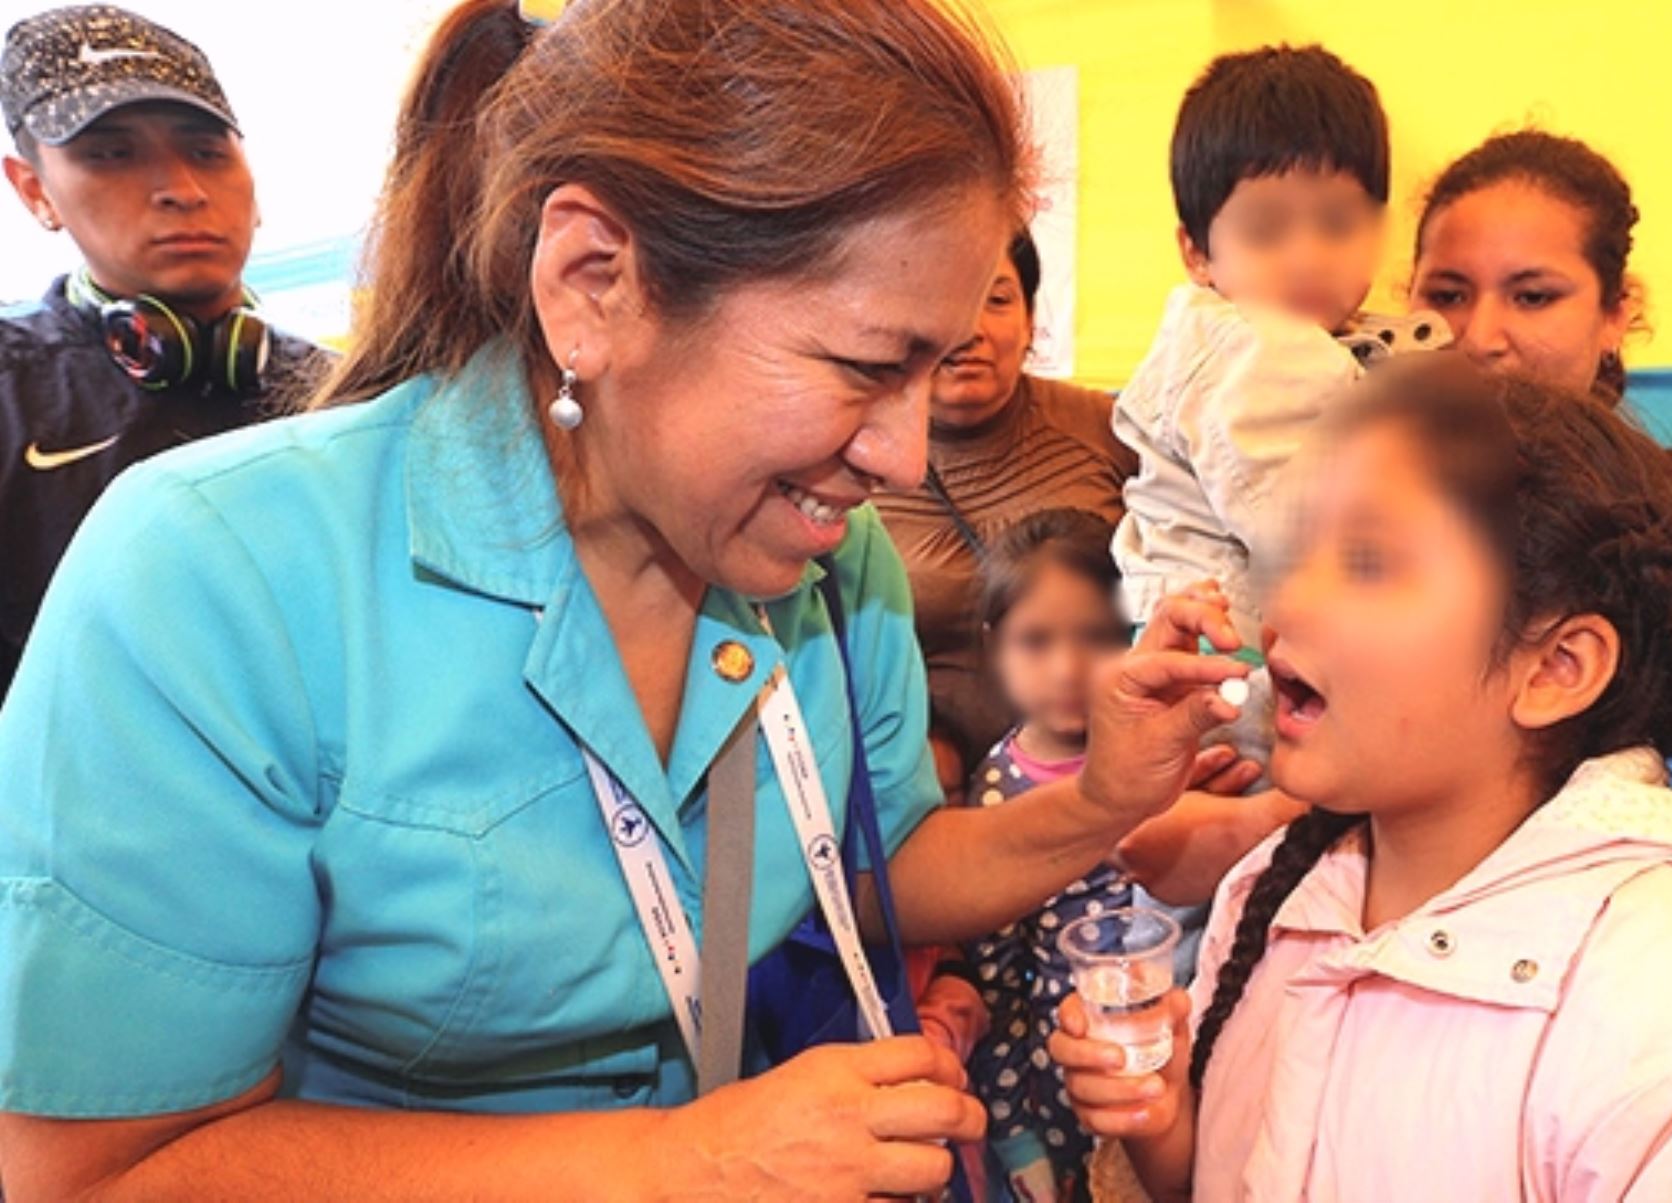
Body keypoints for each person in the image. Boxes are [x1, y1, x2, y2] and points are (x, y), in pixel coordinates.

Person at [0, 2, 1254, 1199]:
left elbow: (881, 868)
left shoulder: (827, 560)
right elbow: (98, 1170)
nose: (906, 460)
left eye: (932, 369)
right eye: (867, 367)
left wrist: (1101, 802)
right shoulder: (218, 580)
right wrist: (683, 1167)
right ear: (595, 282)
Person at [1053, 357, 1672, 1201]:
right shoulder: (1271, 894)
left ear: (1556, 666)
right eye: (1297, 553)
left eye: (1368, 561)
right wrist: (1160, 1117)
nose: (1288, 603)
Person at [1111, 43, 1448, 771]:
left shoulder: (1298, 340)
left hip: (1216, 654)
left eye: (1336, 223)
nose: (1306, 256)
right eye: (1267, 231)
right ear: (1198, 253)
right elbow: (1305, 530)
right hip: (1236, 666)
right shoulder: (1263, 347)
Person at [0, 3, 328, 696]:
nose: (181, 189)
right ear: (35, 191)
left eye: (207, 151)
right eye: (113, 154)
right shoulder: (11, 394)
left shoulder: (344, 391)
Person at [1409, 129, 1672, 683]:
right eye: (1447, 296)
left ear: (1615, 314)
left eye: (1533, 296)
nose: (1480, 337)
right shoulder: (1342, 478)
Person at [872, 227, 1134, 777]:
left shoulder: (1112, 429)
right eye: (944, 297)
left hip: (1101, 773)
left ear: (1030, 320)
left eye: (995, 300)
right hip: (918, 785)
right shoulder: (857, 455)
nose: (971, 329)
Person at [961, 508, 1135, 1200]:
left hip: (1160, 1072)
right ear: (993, 646)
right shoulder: (998, 796)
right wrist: (1015, 1133)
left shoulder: (1159, 766)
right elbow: (995, 992)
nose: (1068, 667)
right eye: (1036, 641)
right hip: (1059, 1103)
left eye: (1097, 637)